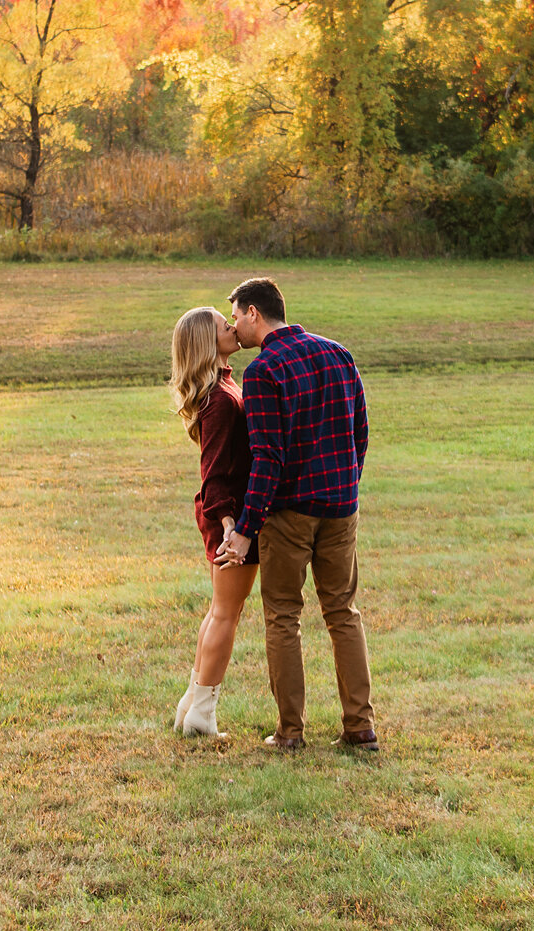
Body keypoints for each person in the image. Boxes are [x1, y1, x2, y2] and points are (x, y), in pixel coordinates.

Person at [215, 276, 378, 752]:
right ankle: (360, 728)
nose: (233, 326)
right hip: (341, 507)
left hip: (289, 514)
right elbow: (359, 432)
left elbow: (267, 458)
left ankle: (290, 732)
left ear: (254, 314)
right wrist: (346, 484)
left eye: (236, 315)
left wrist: (245, 529)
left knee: (283, 616)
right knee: (343, 612)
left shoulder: (265, 371)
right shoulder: (338, 353)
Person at [166, 306, 258, 738]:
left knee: (220, 610)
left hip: (227, 511)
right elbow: (214, 471)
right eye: (224, 323)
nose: (232, 326)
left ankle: (191, 703)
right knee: (226, 613)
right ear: (208, 341)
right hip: (231, 515)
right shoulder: (219, 400)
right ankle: (202, 714)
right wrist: (229, 526)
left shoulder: (223, 385)